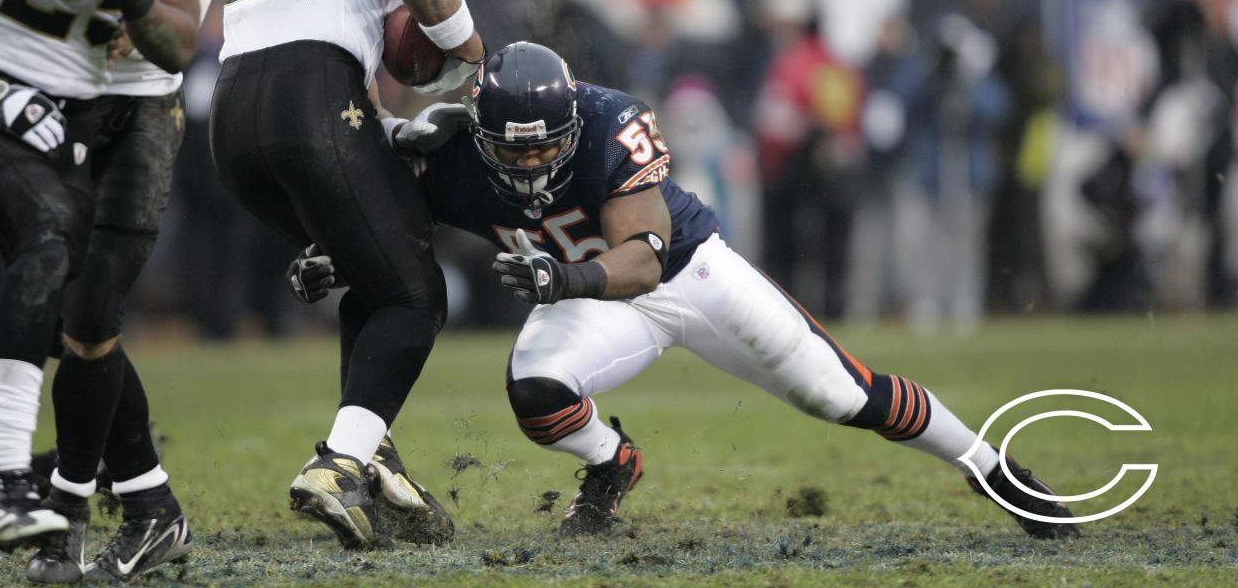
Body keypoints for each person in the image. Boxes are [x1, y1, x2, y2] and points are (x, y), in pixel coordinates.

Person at [294, 42, 1081, 540]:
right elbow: (392, 233)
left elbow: (641, 256)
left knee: (840, 397)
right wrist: (343, 255)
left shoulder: (612, 123)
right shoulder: (453, 155)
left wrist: (560, 277)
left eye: (548, 152)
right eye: (513, 154)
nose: (531, 170)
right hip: (589, 300)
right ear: (483, 131)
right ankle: (612, 465)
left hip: (687, 275)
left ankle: (994, 469)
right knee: (537, 392)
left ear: (573, 122)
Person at [210, 0, 482, 550]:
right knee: (414, 293)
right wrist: (473, 59)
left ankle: (371, 455)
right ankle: (339, 465)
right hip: (311, 96)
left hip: (233, 113)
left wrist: (384, 130)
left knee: (377, 265)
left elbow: (339, 45)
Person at [0, 0, 214, 580]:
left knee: (89, 317)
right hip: (28, 90)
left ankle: (71, 515)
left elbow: (174, 37)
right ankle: (121, 501)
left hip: (141, 103)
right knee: (29, 299)